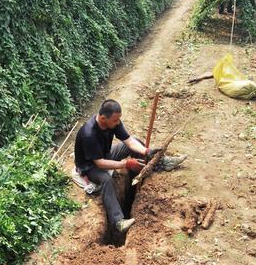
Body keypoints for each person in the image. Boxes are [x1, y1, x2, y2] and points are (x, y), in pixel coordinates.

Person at [73, 99, 186, 233]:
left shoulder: (113, 123)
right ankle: (118, 221)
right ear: (103, 118)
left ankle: (161, 164)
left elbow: (129, 141)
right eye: (115, 120)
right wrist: (126, 164)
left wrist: (146, 151)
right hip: (90, 166)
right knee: (106, 180)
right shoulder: (89, 134)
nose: (118, 122)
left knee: (137, 141)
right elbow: (100, 163)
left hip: (105, 156)